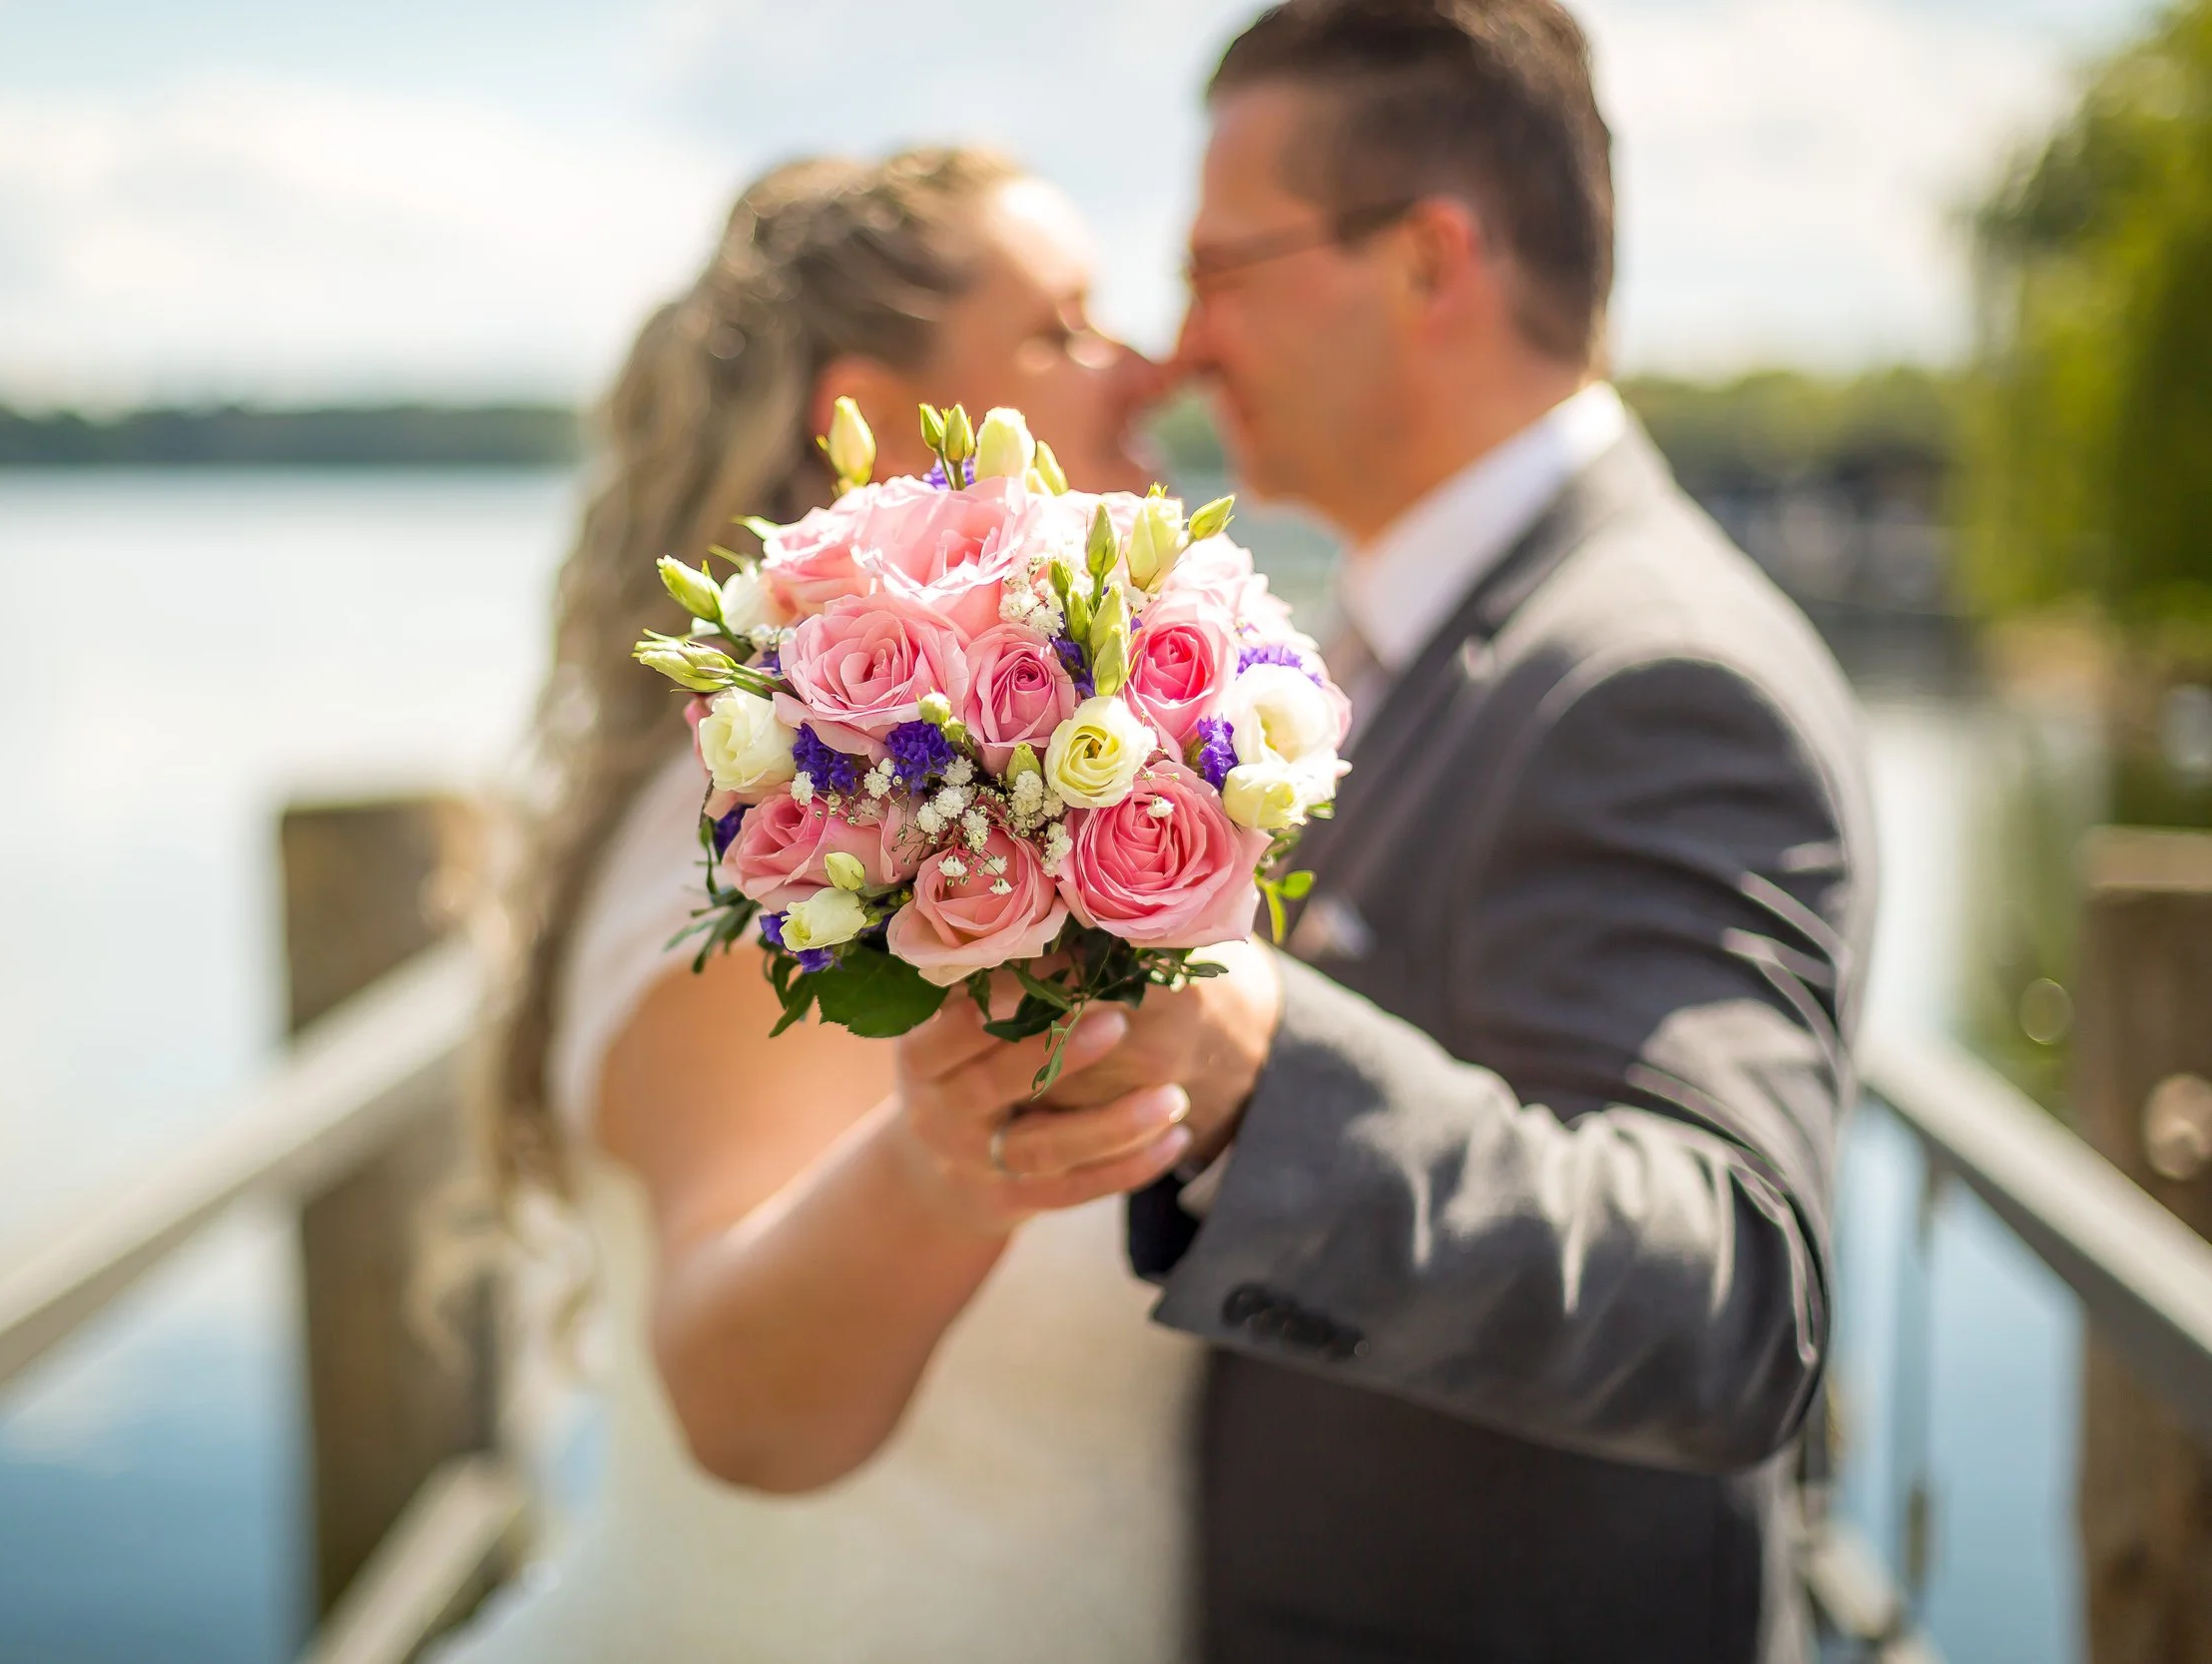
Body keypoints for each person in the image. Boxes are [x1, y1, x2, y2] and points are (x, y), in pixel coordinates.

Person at [1043, 2, 1879, 1660]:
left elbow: (1732, 1301)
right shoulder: (1385, 627)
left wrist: (1256, 1070)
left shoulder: (1656, 670)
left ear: (1430, 262)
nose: (1183, 342)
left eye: (1221, 267)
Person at [436, 148, 1202, 1663]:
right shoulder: (783, 847)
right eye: (1063, 329)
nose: (1146, 366)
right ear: (879, 425)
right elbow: (739, 1387)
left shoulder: (955, 805)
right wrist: (935, 1179)